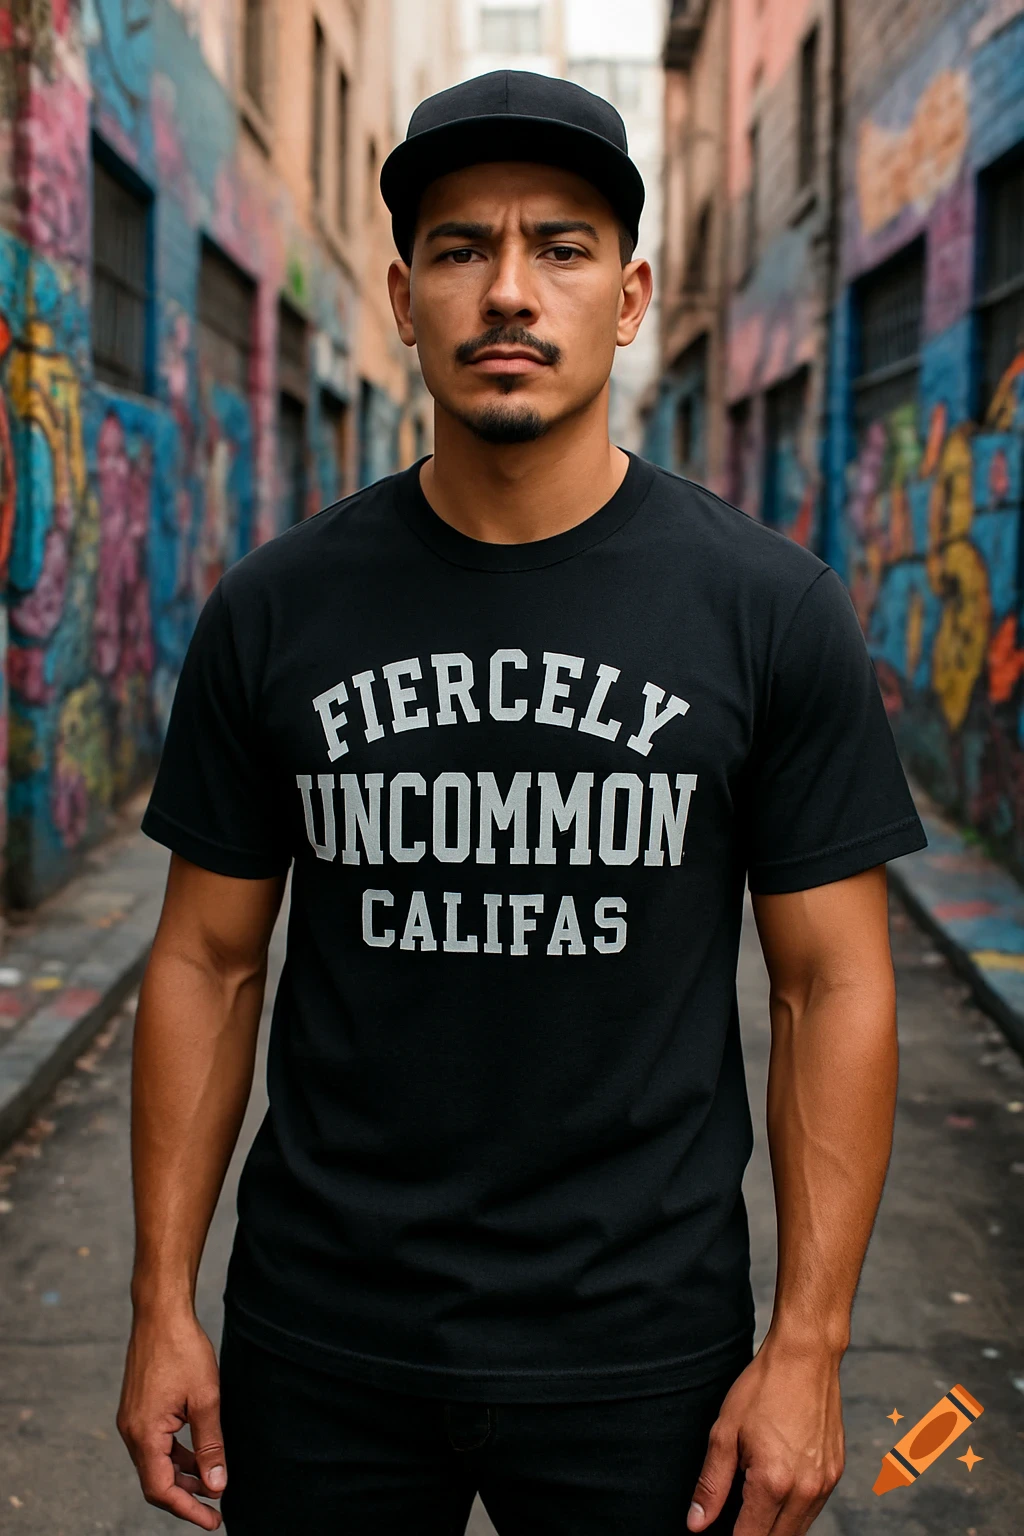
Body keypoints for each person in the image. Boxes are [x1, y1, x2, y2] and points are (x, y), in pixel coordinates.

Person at [117, 69, 927, 1536]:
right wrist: (161, 1303)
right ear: (402, 294)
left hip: (646, 1350)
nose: (507, 290)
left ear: (628, 299)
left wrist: (811, 1343)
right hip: (325, 1334)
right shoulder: (274, 611)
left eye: (559, 247)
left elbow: (833, 986)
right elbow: (207, 960)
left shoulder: (767, 611)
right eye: (458, 248)